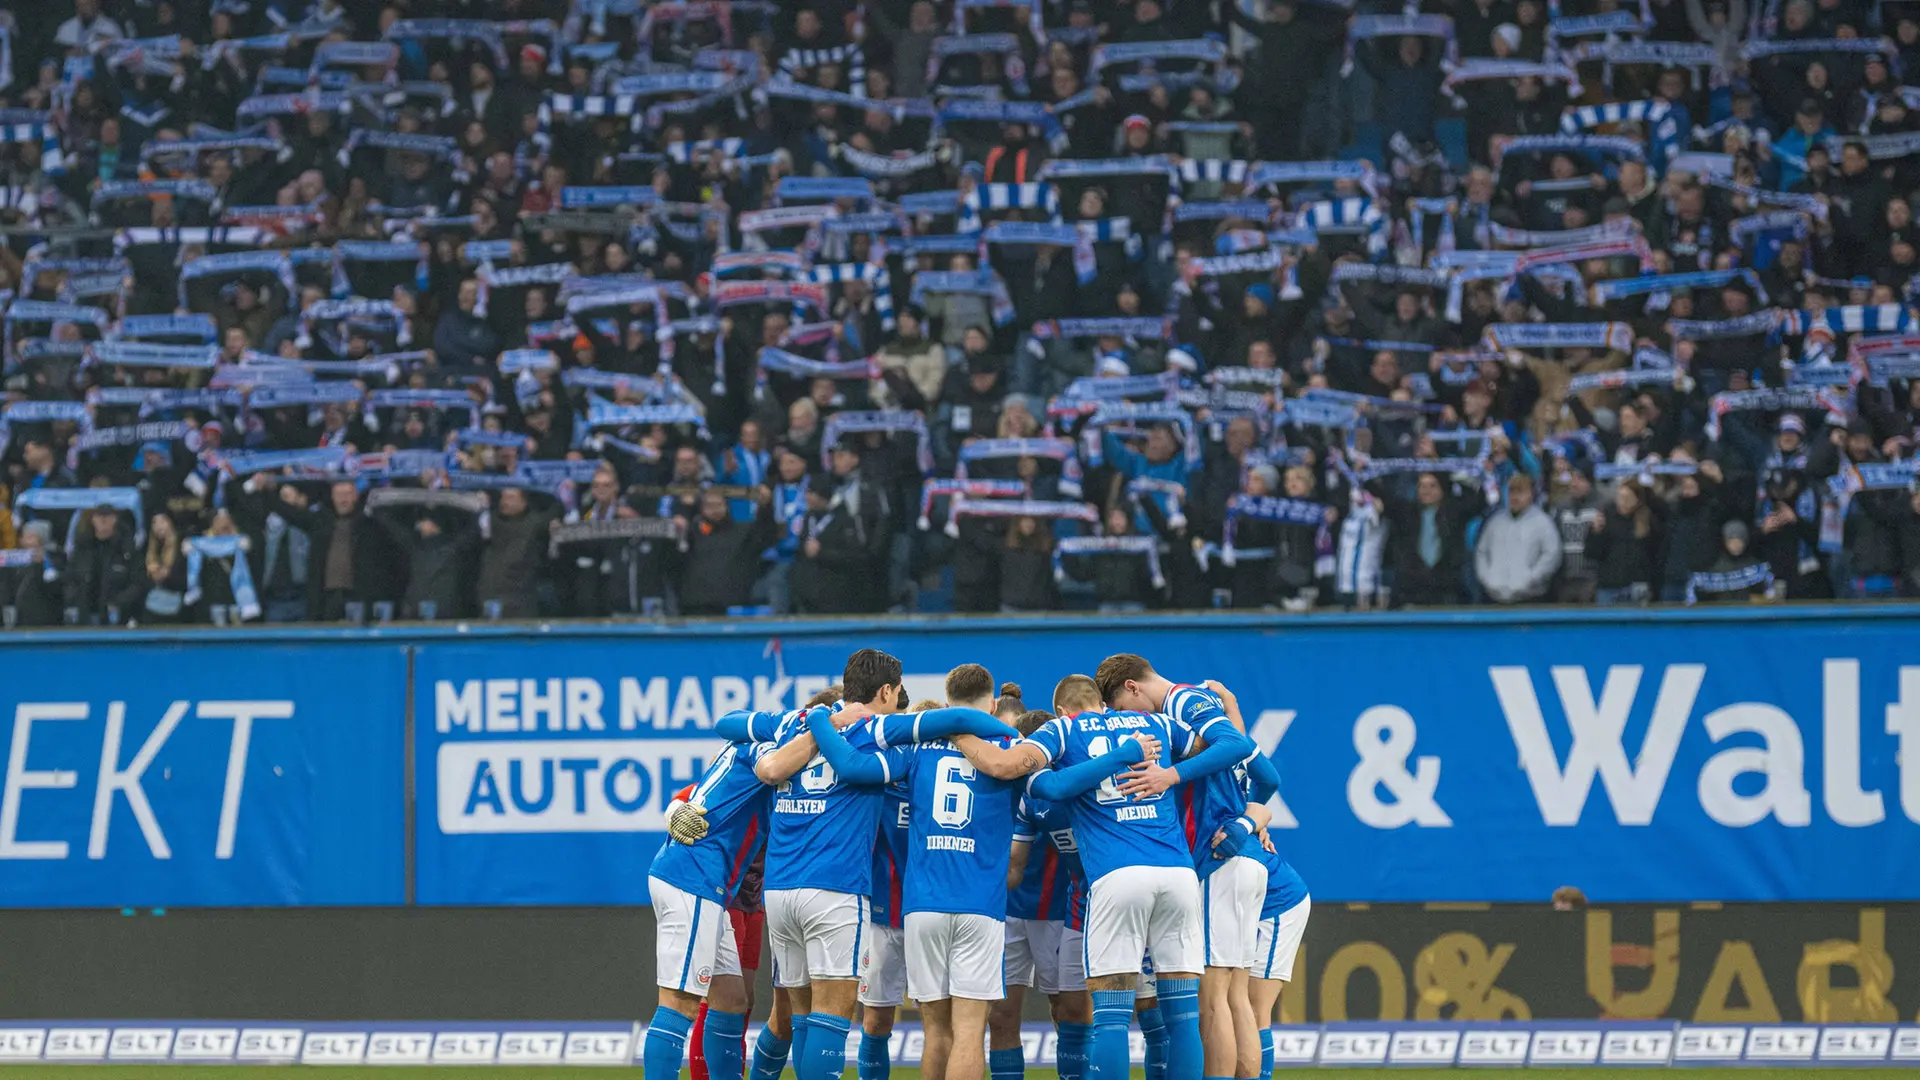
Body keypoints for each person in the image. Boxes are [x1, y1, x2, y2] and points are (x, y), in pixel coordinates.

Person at [945, 661, 1259, 1080]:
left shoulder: (1062, 731)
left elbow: (1023, 773)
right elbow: (1228, 745)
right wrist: (1172, 773)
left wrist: (956, 731)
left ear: (1061, 711)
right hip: (1178, 874)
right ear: (1101, 703)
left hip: (1118, 876)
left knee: (1110, 1016)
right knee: (1182, 1015)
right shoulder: (1155, 724)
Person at [1474, 473, 1562, 604]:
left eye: (1520, 492)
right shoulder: (1495, 522)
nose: (1515, 497)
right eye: (1511, 492)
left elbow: (1552, 555)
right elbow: (1481, 552)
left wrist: (1530, 580)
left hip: (1530, 599)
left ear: (1530, 495)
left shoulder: (1543, 523)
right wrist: (1488, 580)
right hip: (1494, 598)